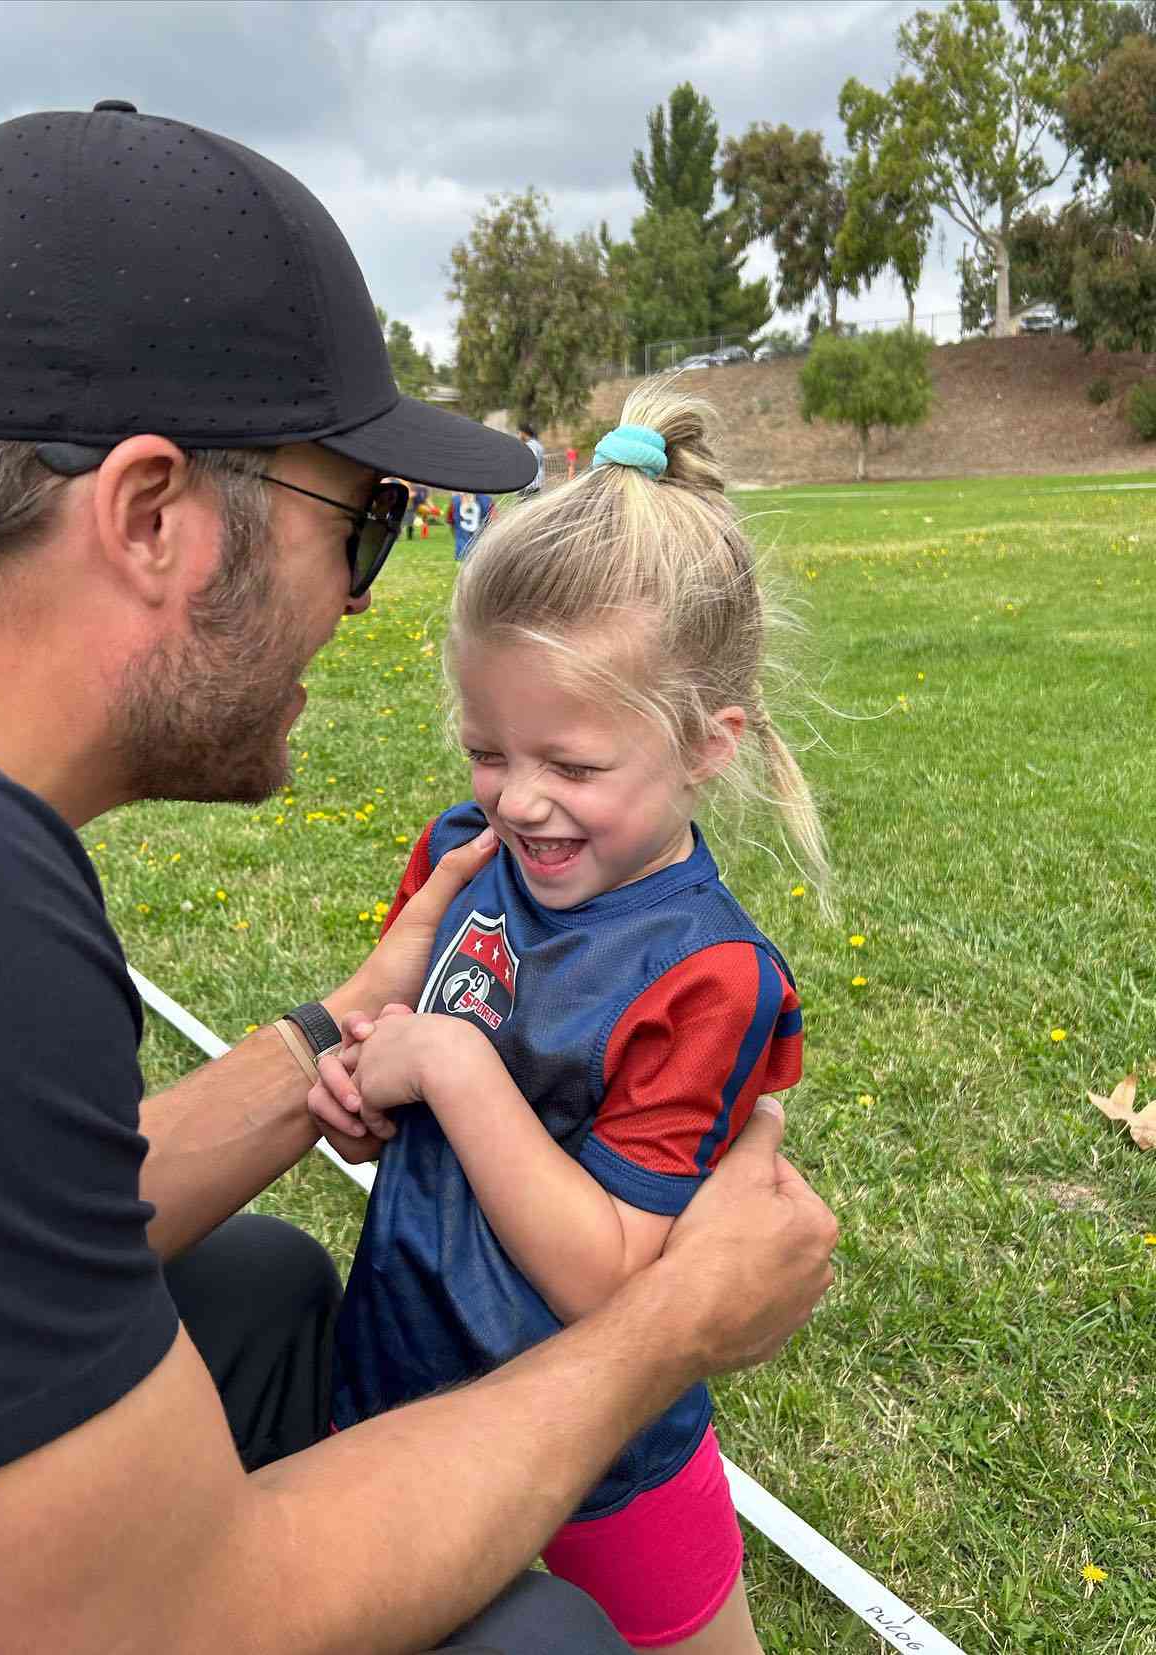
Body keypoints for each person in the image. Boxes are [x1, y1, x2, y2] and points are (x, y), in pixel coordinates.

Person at [0, 103, 837, 1655]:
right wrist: (670, 1324)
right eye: (364, 520)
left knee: (240, 1282)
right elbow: (190, 1619)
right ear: (155, 514)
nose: (362, 603)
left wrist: (336, 1030)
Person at [309, 394, 829, 1653]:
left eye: (575, 764)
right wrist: (366, 1093)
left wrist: (445, 1063)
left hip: (608, 1454)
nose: (520, 796)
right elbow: (412, 1092)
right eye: (488, 747)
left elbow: (607, 1274)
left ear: (710, 746)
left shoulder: (707, 976)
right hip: (401, 1393)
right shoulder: (460, 857)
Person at [446, 487, 495, 561]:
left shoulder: (455, 500)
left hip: (462, 546)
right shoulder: (488, 500)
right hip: (481, 547)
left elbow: (450, 520)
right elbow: (494, 521)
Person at [517, 421, 545, 496]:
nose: (518, 435)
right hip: (537, 484)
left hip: (528, 486)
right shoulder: (538, 445)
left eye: (519, 433)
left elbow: (530, 462)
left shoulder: (529, 446)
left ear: (523, 433)